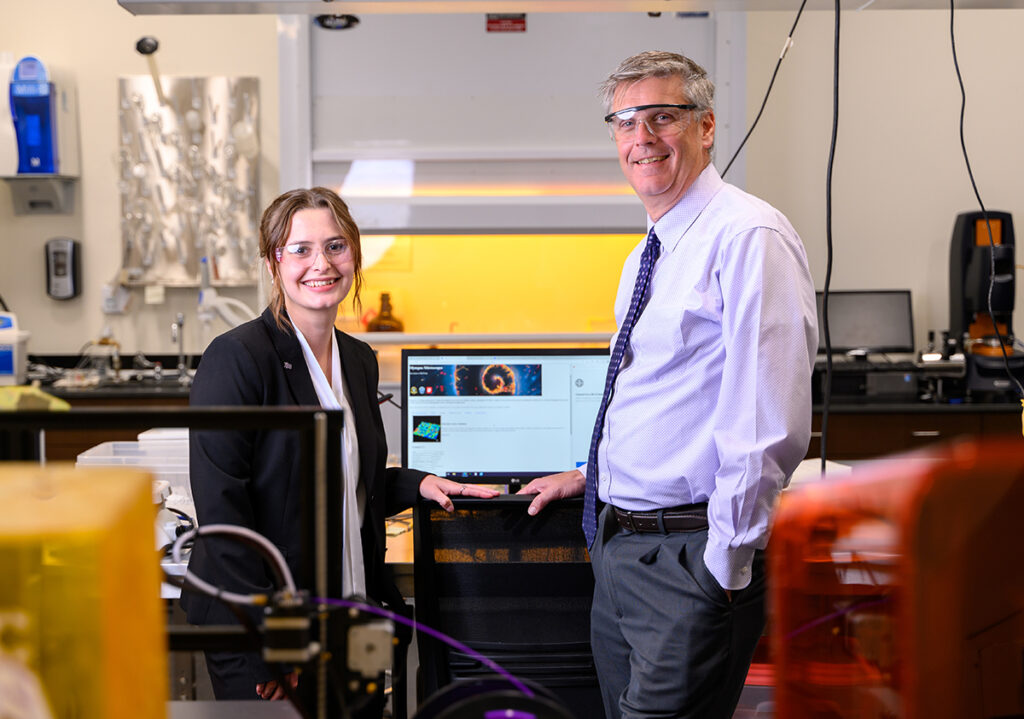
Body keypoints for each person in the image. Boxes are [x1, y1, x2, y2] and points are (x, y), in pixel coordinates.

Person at [518, 51, 818, 719]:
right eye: (625, 122)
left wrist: (723, 569)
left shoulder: (748, 236)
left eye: (662, 117)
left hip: (690, 561)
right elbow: (660, 393)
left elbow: (768, 421)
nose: (641, 138)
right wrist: (591, 473)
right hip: (623, 551)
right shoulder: (648, 251)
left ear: (706, 127)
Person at [182, 187, 497, 709]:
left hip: (355, 614)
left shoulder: (357, 358)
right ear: (272, 262)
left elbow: (347, 475)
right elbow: (223, 515)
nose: (320, 264)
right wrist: (273, 642)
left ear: (354, 255)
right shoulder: (238, 358)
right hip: (271, 625)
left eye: (335, 246)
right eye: (299, 249)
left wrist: (416, 482)